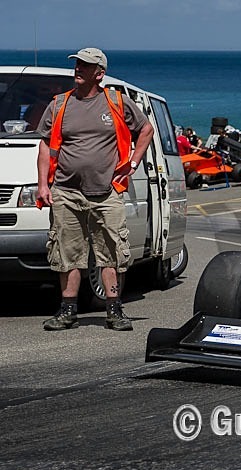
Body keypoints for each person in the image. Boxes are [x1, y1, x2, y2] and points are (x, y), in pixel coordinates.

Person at [36, 47, 154, 331]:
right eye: (77, 64)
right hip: (66, 190)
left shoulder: (116, 101)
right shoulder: (59, 104)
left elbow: (146, 130)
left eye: (85, 66)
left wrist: (133, 163)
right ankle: (67, 311)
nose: (78, 69)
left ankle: (114, 310)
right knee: (67, 252)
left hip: (106, 191)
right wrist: (42, 184)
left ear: (99, 73)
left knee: (112, 252)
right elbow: (44, 144)